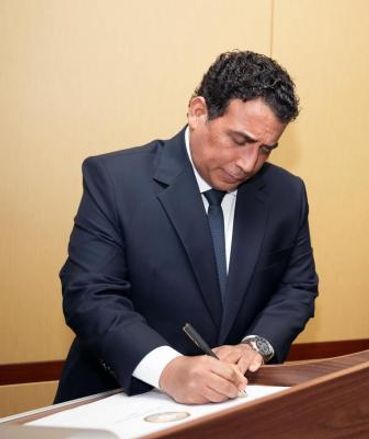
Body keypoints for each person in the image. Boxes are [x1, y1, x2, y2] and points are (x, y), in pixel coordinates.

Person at [54, 51, 319, 404]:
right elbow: (90, 295)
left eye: (265, 150)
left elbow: (297, 287)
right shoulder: (116, 180)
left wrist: (254, 346)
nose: (248, 163)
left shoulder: (287, 193)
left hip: (233, 406)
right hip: (117, 399)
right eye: (239, 141)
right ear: (198, 112)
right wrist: (168, 369)